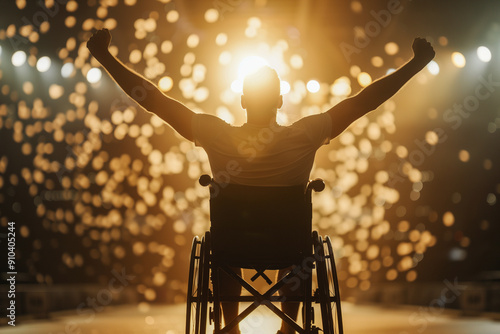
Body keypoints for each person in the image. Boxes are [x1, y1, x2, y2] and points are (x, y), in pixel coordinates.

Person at [87, 28, 435, 334]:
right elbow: (365, 102)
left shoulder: (214, 133)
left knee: (222, 244)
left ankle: (230, 326)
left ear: (242, 101)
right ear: (280, 100)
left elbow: (153, 101)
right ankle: (287, 327)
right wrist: (415, 64)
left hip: (231, 246)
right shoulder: (307, 133)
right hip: (289, 246)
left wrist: (105, 56)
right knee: (301, 248)